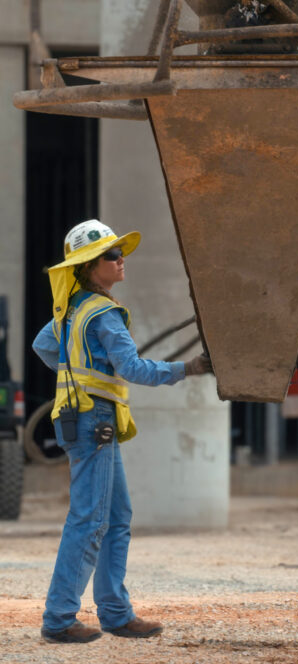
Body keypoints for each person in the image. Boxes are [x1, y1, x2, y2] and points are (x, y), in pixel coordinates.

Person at [32, 219, 213, 644]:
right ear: (90, 266)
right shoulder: (105, 314)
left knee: (115, 517)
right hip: (94, 420)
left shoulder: (72, 309)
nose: (121, 259)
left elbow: (44, 346)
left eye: (119, 252)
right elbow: (133, 369)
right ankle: (59, 618)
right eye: (112, 255)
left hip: (83, 418)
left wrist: (76, 377)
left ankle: (115, 612)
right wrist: (189, 368)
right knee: (91, 519)